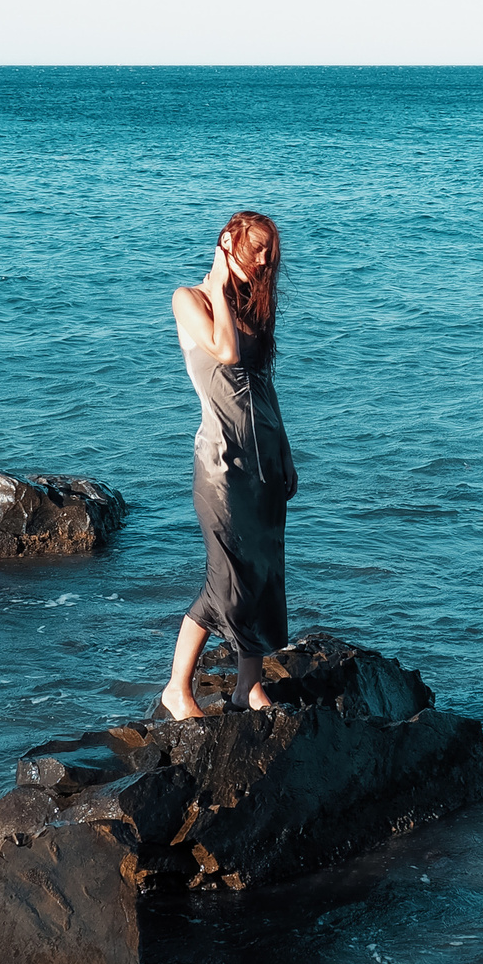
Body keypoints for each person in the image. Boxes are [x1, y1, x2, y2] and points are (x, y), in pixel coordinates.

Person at [159, 210, 297, 721]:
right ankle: (177, 688)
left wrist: (284, 449)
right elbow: (225, 352)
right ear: (227, 241)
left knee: (264, 573)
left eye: (268, 254)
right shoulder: (188, 299)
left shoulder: (252, 307)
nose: (261, 262)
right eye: (254, 248)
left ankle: (246, 687)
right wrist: (218, 281)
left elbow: (263, 383)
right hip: (221, 465)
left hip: (263, 458)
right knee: (227, 577)